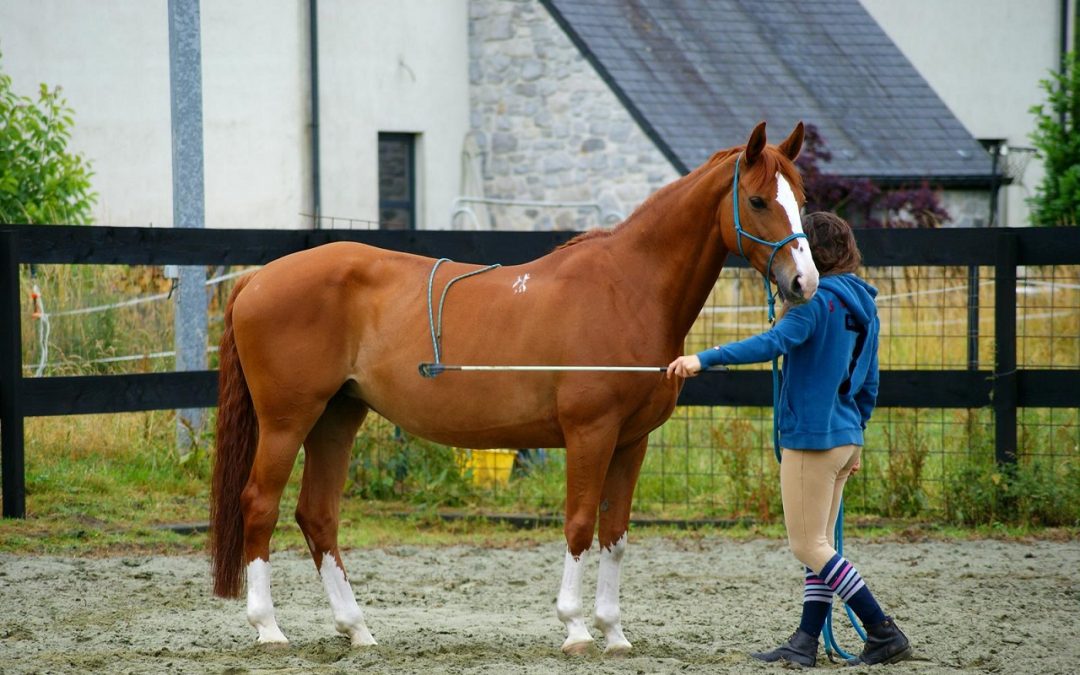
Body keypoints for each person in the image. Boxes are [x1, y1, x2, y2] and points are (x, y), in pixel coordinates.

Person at [667, 212, 912, 667]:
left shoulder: (813, 302)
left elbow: (773, 343)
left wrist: (704, 358)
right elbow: (870, 380)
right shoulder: (864, 304)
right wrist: (856, 433)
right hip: (844, 436)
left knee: (808, 546)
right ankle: (805, 642)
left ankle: (882, 630)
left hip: (812, 439)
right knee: (821, 546)